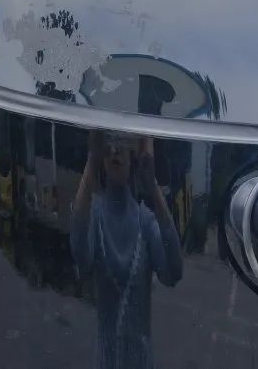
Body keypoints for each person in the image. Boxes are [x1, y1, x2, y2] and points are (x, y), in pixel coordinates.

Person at [70, 131, 183, 369]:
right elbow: (80, 257)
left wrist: (152, 184)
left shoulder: (145, 221)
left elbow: (173, 272)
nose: (115, 151)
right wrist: (91, 161)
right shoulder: (96, 215)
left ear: (133, 157)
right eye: (109, 143)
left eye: (122, 143)